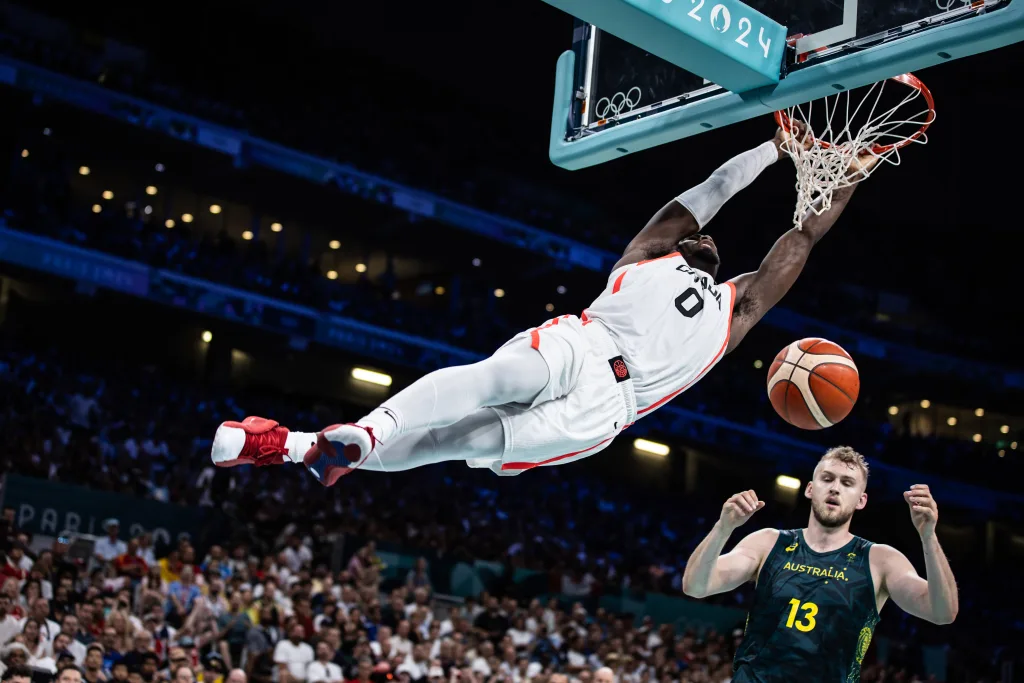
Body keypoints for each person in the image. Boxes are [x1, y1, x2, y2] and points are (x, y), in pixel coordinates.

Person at [211, 126, 875, 484]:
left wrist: (841, 183)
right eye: (699, 232)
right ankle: (362, 435)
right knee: (487, 382)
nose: (707, 234)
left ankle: (304, 446)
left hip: (611, 406)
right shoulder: (648, 252)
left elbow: (801, 236)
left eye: (710, 238)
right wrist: (773, 148)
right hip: (583, 342)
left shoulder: (740, 306)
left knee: (461, 438)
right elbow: (713, 188)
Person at [681, 446, 959, 682]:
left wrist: (928, 537)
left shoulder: (880, 559)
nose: (835, 488)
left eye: (847, 483)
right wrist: (723, 528)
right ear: (811, 489)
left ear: (861, 500)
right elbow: (695, 586)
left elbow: (942, 612)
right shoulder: (768, 543)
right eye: (828, 479)